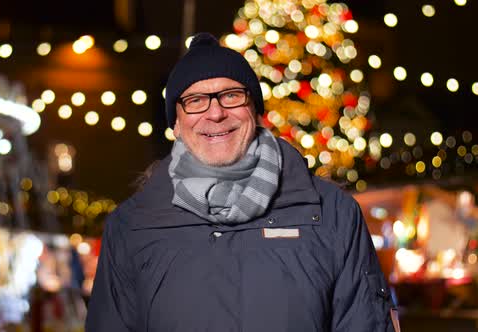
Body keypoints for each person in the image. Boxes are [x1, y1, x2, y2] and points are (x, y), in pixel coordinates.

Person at [86, 32, 399, 332]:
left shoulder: (332, 214)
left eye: (231, 95)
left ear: (255, 110)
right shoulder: (132, 227)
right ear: (177, 124)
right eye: (195, 100)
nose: (216, 113)